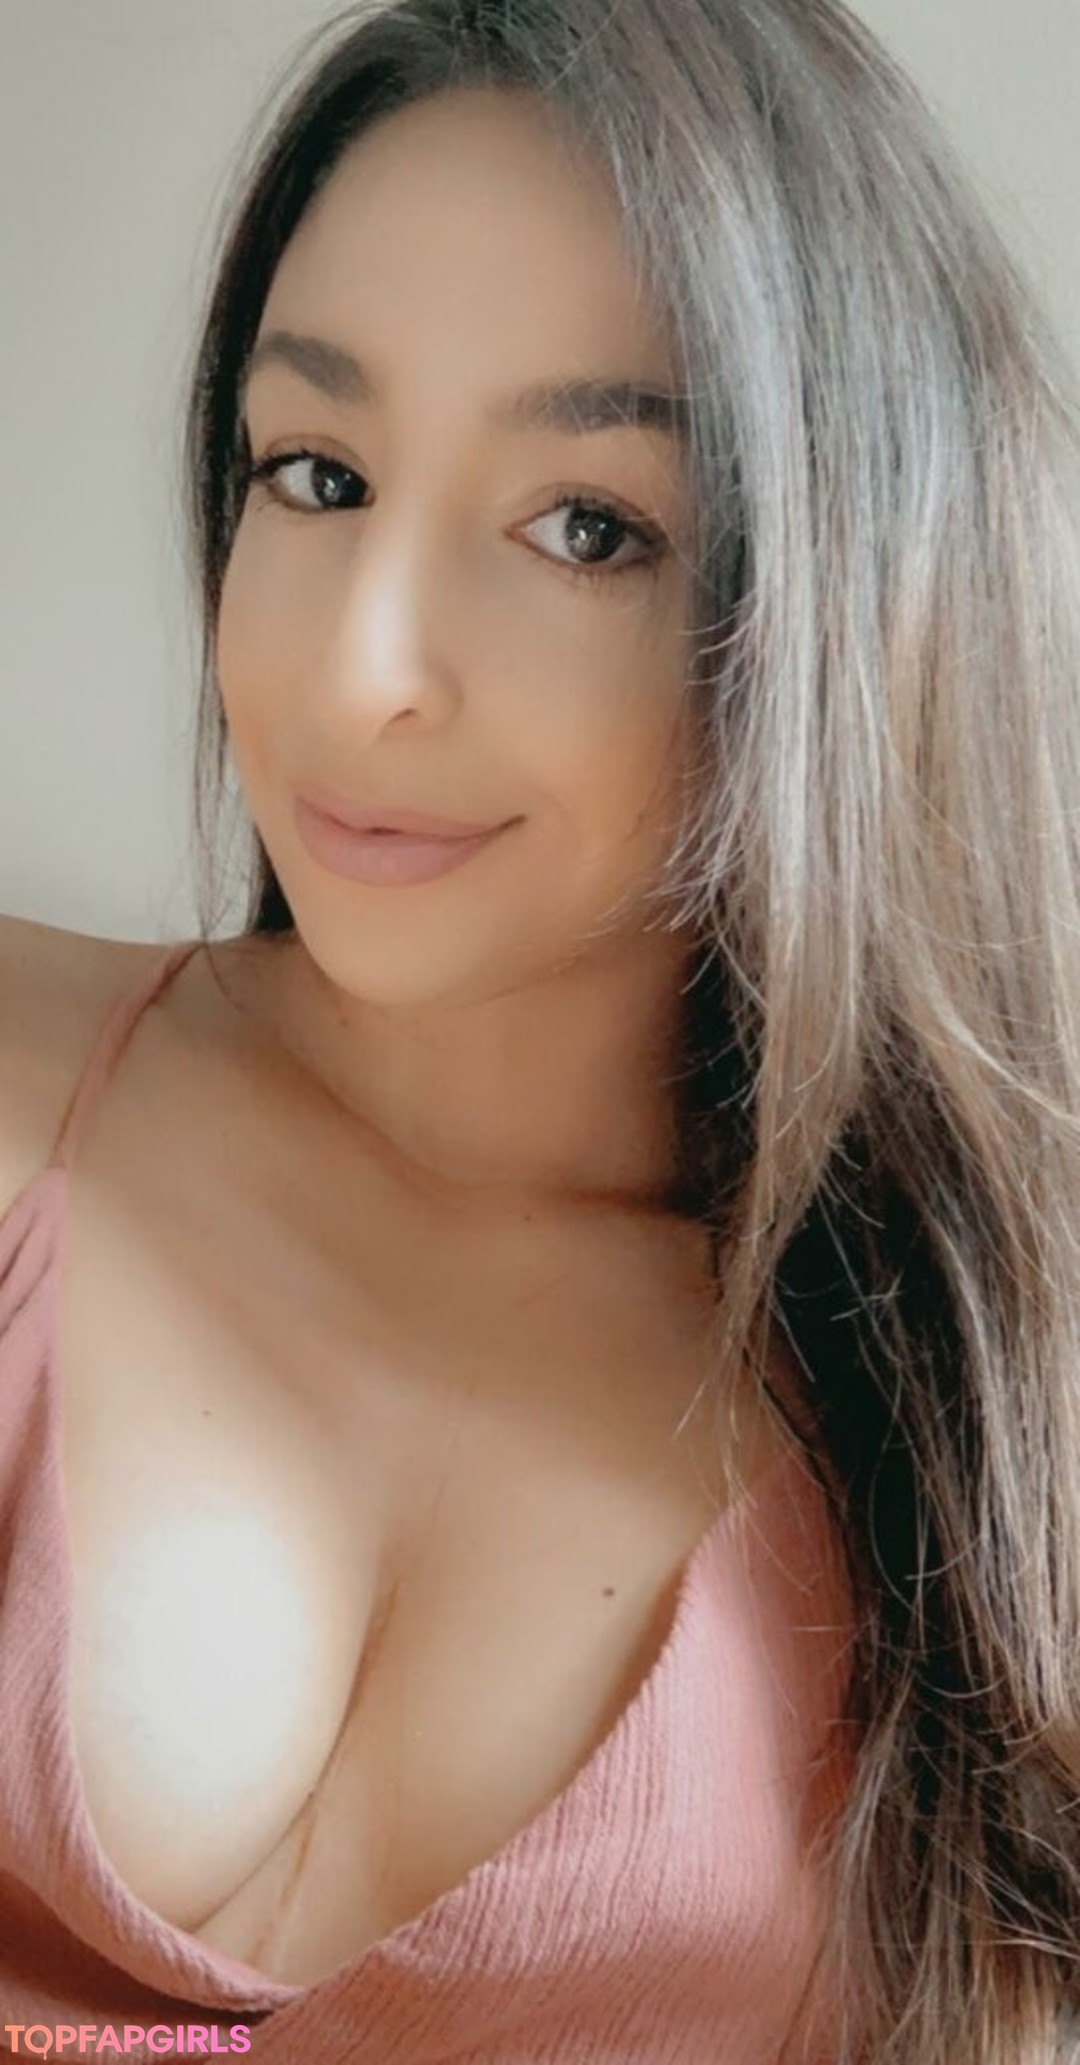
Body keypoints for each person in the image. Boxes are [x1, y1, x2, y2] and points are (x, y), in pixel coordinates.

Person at [2, 0, 1079, 2059]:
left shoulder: (976, 1467)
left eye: (586, 524)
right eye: (316, 473)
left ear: (848, 606)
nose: (362, 666)